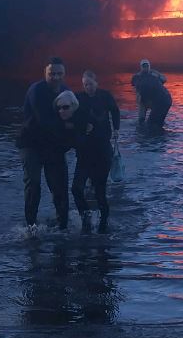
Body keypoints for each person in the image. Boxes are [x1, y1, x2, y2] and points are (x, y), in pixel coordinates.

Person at [17, 56, 69, 229]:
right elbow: (44, 119)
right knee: (33, 184)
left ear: (64, 74)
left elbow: (76, 113)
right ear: (45, 73)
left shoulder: (66, 91)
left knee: (60, 186)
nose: (55, 77)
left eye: (59, 73)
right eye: (51, 73)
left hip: (54, 145)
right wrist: (68, 125)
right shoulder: (36, 90)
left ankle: (63, 225)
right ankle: (31, 226)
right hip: (31, 143)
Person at [74, 70, 120, 233]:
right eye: (85, 84)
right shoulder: (78, 98)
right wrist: (80, 127)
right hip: (84, 151)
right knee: (76, 188)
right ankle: (86, 218)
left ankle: (103, 223)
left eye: (91, 84)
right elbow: (70, 116)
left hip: (102, 149)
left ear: (96, 83)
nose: (88, 87)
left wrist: (116, 129)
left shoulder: (105, 96)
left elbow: (115, 111)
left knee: (100, 190)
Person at [131, 59, 172, 130]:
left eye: (147, 66)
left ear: (149, 66)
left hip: (153, 99)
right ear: (141, 67)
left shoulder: (154, 74)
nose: (145, 67)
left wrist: (158, 76)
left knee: (155, 117)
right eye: (144, 66)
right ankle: (143, 128)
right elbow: (134, 85)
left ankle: (153, 127)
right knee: (141, 119)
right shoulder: (137, 76)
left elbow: (164, 79)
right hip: (143, 99)